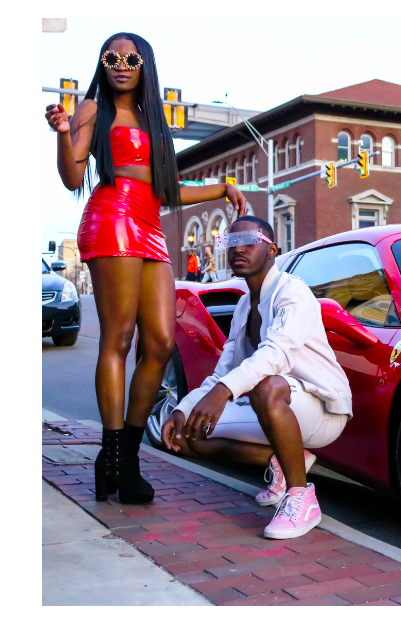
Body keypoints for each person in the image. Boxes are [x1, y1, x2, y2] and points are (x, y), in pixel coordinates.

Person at [46, 32, 247, 505]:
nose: (121, 64)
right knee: (118, 339)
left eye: (130, 59)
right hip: (111, 220)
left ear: (144, 66)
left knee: (158, 343)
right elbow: (72, 177)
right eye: (112, 57)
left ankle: (123, 457)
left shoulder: (153, 118)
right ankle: (117, 458)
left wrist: (221, 188)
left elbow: (167, 189)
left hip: (149, 227)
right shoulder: (92, 109)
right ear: (103, 63)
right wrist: (62, 134)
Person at [161, 216, 352, 539]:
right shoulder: (243, 306)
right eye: (231, 242)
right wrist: (184, 408)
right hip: (274, 407)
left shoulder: (293, 292)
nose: (239, 249)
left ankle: (302, 497)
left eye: (249, 241)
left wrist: (224, 392)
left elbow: (277, 353)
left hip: (321, 409)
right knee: (184, 436)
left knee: (267, 385)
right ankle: (285, 461)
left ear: (272, 250)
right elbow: (223, 371)